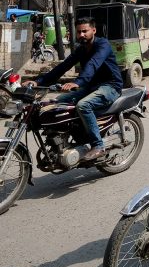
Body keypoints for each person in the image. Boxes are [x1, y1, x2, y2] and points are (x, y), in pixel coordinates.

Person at [25, 17, 123, 161]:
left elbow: (93, 64)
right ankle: (71, 138)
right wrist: (37, 81)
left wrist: (78, 82)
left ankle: (98, 145)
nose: (82, 34)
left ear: (93, 30)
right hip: (91, 87)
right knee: (57, 102)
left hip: (110, 86)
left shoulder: (103, 45)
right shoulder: (81, 49)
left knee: (83, 105)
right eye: (79, 32)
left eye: (85, 31)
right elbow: (62, 67)